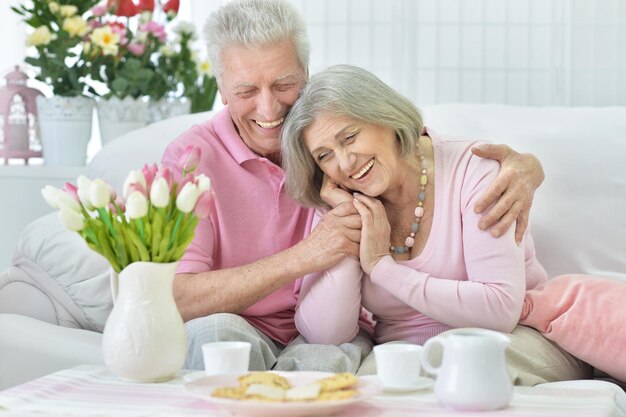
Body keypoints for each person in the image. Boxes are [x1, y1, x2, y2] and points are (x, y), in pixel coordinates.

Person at [161, 0, 545, 373]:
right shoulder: (191, 160)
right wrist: (309, 254)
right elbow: (177, 298)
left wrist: (523, 166)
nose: (269, 109)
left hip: (334, 332)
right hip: (242, 325)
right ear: (222, 89)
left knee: (325, 359)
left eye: (284, 84)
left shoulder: (334, 150)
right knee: (214, 336)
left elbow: (399, 144)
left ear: (305, 73)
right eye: (246, 92)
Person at [281, 64, 591, 384]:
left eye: (350, 137)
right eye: (324, 156)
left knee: (450, 369)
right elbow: (326, 333)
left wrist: (382, 266)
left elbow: (498, 310)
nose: (344, 163)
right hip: (405, 352)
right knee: (374, 387)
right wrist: (348, 224)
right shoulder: (344, 199)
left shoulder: (475, 171)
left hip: (512, 340)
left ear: (384, 118)